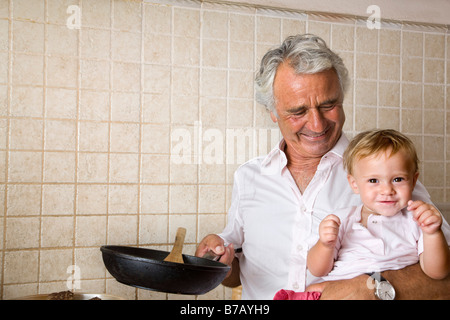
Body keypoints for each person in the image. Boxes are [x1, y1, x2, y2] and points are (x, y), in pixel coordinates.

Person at [195, 34, 450, 299]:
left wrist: (369, 288)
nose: (317, 125)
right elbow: (238, 271)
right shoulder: (249, 177)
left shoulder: (385, 175)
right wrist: (217, 263)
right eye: (298, 111)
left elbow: (445, 279)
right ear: (273, 111)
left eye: (328, 105)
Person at [275, 129, 450, 300]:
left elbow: (438, 272)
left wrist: (432, 233)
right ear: (354, 184)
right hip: (334, 292)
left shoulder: (417, 220)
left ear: (413, 181)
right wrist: (325, 245)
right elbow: (317, 270)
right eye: (374, 181)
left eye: (398, 179)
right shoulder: (342, 220)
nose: (387, 190)